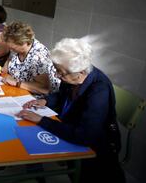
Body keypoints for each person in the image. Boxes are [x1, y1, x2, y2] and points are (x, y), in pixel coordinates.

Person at [17, 38, 125, 183]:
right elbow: (61, 95)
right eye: (56, 70)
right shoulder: (73, 77)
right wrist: (46, 101)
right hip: (69, 126)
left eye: (61, 73)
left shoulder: (99, 90)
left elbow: (85, 135)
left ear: (80, 72)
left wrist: (42, 120)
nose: (57, 75)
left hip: (96, 150)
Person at [0, 21, 60, 96]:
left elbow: (44, 89)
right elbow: (9, 62)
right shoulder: (17, 49)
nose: (11, 50)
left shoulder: (38, 56)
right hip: (18, 91)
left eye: (13, 48)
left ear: (23, 42)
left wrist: (17, 83)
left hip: (39, 99)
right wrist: (2, 69)